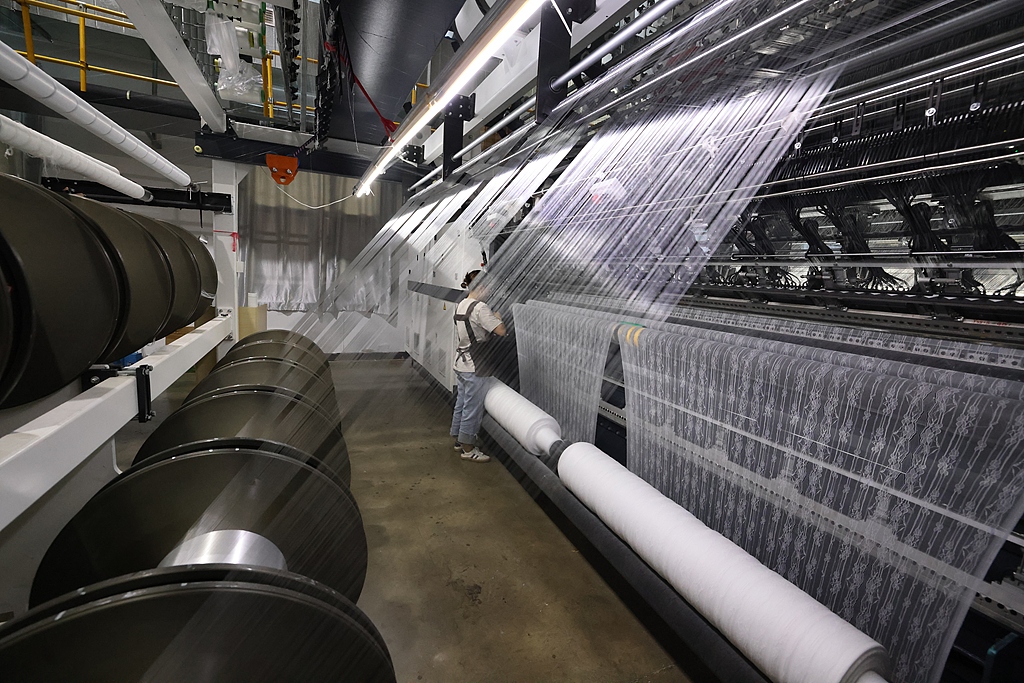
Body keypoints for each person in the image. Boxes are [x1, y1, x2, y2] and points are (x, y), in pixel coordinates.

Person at [450, 269, 506, 463]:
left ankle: (458, 439)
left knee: (462, 403)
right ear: (480, 287)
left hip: (461, 362)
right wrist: (498, 316)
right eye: (488, 288)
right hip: (475, 365)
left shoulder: (462, 304)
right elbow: (500, 331)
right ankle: (468, 448)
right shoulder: (480, 307)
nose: (489, 291)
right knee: (472, 409)